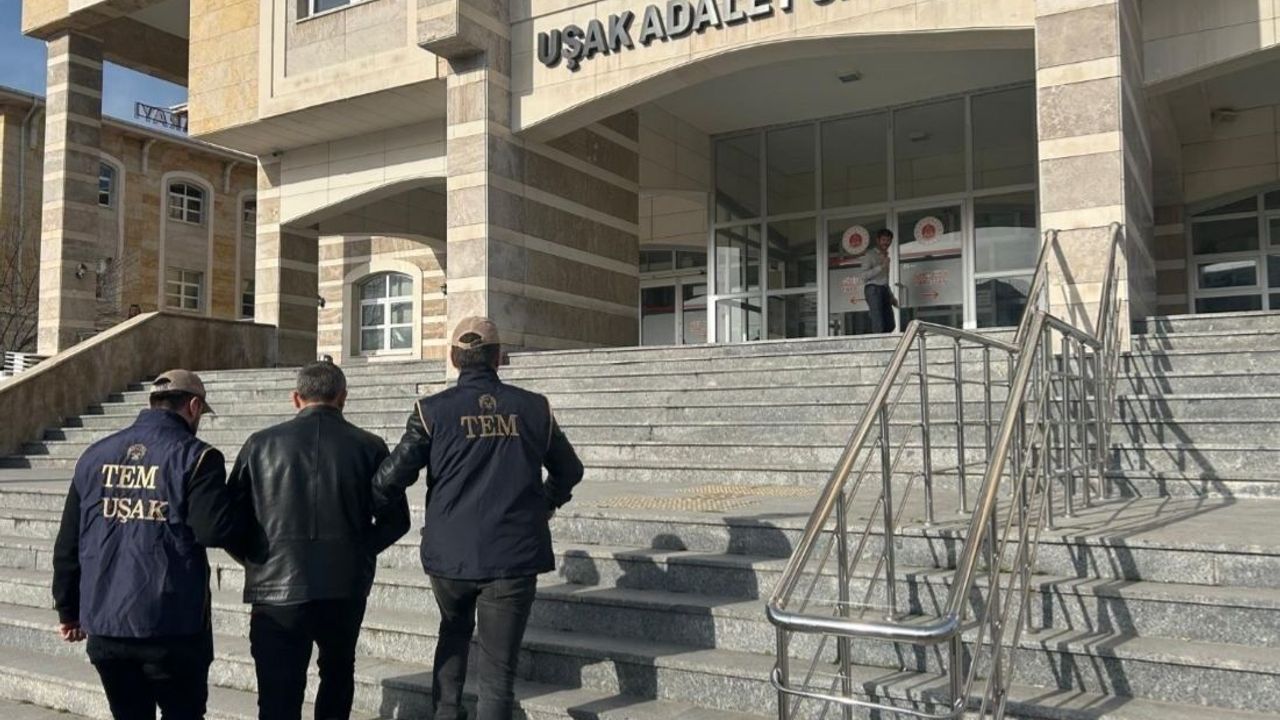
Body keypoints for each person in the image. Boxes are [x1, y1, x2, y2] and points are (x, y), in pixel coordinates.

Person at [371, 316, 584, 720]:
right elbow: (569, 470)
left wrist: (374, 516)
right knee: (498, 673)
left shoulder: (431, 411)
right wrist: (545, 504)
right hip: (512, 554)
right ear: (498, 357)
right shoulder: (534, 408)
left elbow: (389, 479)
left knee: (452, 633)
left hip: (450, 553)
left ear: (454, 358)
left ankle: (446, 712)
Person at [52, 369, 247, 720]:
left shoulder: (94, 455)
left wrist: (68, 609)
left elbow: (69, 541)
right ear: (193, 406)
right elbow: (213, 530)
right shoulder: (198, 457)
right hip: (171, 624)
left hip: (107, 624)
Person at [227, 361, 410, 720]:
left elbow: (228, 520)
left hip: (276, 587)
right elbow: (396, 520)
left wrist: (256, 558)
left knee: (278, 693)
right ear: (343, 398)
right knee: (338, 675)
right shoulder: (369, 446)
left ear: (296, 398)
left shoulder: (260, 444)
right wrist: (357, 550)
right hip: (343, 584)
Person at [857, 228, 899, 333]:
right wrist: (881, 267)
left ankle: (884, 342)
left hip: (884, 289)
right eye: (883, 240)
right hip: (873, 289)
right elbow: (863, 276)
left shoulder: (886, 256)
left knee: (890, 324)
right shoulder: (870, 255)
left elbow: (884, 279)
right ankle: (876, 342)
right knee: (878, 323)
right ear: (878, 240)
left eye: (888, 240)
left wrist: (891, 296)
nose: (886, 243)